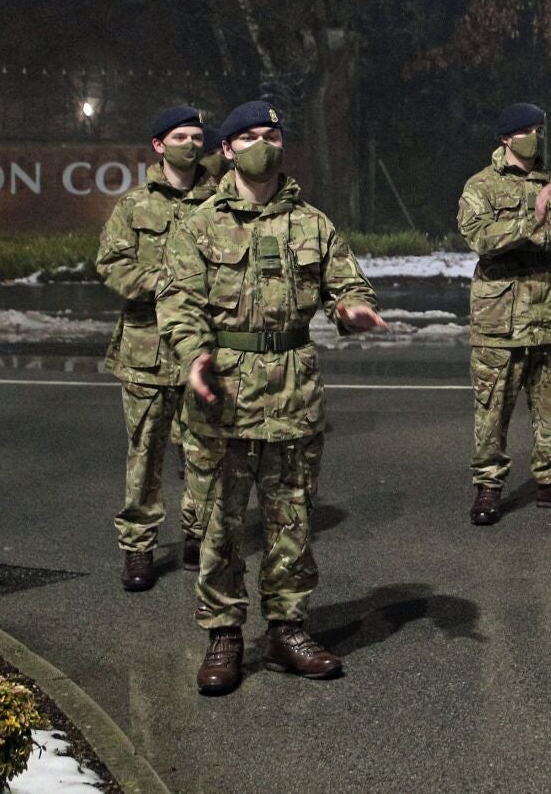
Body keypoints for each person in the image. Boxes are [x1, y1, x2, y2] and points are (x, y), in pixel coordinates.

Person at [159, 100, 389, 695]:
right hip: (224, 396)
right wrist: (195, 355)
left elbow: (346, 282)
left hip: (293, 392)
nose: (264, 145)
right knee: (220, 523)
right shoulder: (199, 225)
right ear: (228, 149)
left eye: (273, 134)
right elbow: (178, 303)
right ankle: (224, 635)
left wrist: (352, 308)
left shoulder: (312, 223)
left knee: (292, 520)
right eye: (251, 136)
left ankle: (288, 629)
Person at [458, 102, 551, 526]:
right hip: (499, 317)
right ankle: (488, 485)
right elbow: (478, 237)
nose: (534, 137)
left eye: (539, 130)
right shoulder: (481, 185)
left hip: (547, 314)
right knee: (492, 408)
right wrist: (530, 221)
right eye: (526, 131)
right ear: (506, 138)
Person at [97, 106, 218, 591]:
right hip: (146, 350)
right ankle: (139, 547)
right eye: (180, 136)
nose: (190, 144)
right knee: (144, 455)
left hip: (202, 351)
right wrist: (163, 282)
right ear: (158, 144)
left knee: (203, 452)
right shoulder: (134, 206)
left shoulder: (220, 202)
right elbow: (111, 264)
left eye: (197, 137)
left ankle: (196, 536)